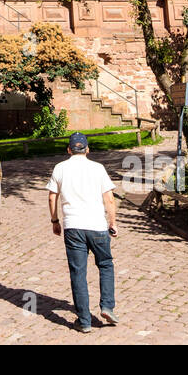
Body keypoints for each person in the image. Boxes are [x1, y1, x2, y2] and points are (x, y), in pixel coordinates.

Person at [47, 132, 119, 332]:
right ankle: (107, 305)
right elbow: (109, 198)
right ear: (87, 149)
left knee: (78, 272)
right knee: (105, 264)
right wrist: (112, 222)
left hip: (73, 227)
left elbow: (52, 197)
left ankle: (84, 321)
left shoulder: (60, 168)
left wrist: (55, 221)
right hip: (96, 225)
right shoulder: (98, 168)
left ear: (69, 149)